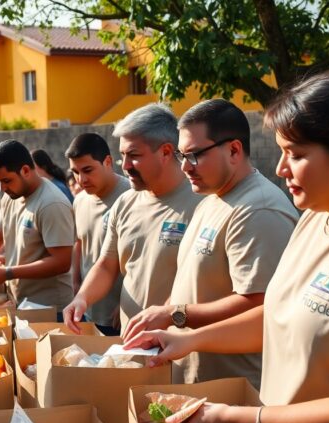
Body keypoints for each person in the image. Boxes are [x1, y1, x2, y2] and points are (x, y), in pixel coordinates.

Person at [124, 69, 329, 423]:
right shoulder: (319, 215)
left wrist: (229, 419)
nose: (280, 168)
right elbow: (281, 315)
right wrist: (189, 339)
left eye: (296, 154)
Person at [122, 99, 298, 387]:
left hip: (234, 389)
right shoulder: (211, 200)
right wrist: (164, 318)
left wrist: (175, 315)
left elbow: (259, 305)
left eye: (194, 155)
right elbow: (190, 283)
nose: (185, 166)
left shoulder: (258, 210)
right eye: (181, 155)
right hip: (198, 382)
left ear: (234, 150)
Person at [63, 103, 202, 332]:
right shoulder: (126, 203)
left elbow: (201, 284)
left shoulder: (201, 204)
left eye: (134, 155)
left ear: (166, 152)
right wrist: (82, 298)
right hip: (130, 342)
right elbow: (107, 265)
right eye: (122, 155)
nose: (125, 166)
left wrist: (166, 316)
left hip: (177, 344)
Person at [0, 140, 75, 315]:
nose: (2, 188)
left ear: (26, 170)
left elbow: (61, 262)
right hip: (22, 302)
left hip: (50, 309)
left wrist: (8, 272)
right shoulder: (12, 195)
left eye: (6, 180)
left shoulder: (51, 204)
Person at [67, 133, 131, 336]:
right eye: (75, 172)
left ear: (108, 162)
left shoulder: (132, 196)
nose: (81, 179)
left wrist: (126, 304)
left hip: (122, 317)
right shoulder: (79, 201)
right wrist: (77, 284)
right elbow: (79, 242)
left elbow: (142, 257)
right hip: (88, 311)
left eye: (87, 170)